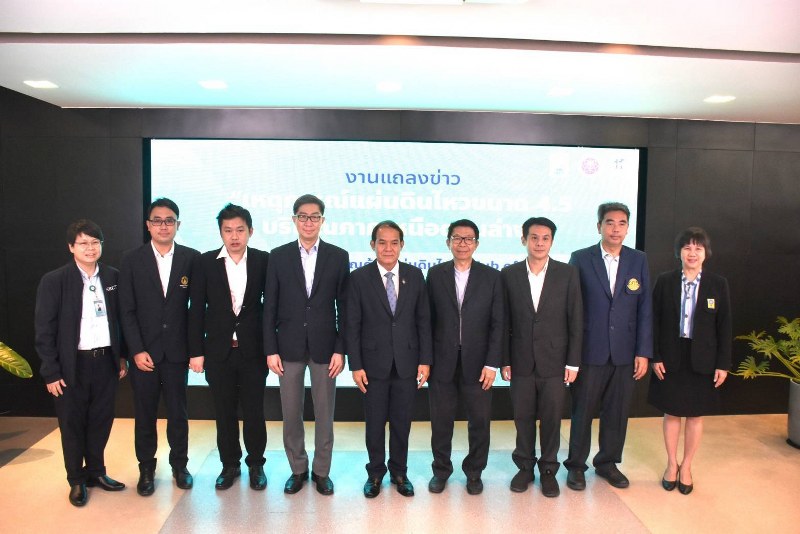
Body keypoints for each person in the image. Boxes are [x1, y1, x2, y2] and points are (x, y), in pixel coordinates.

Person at [34, 219, 128, 506]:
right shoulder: (54, 281)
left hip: (106, 362)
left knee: (101, 420)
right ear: (71, 247)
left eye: (95, 242)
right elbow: (44, 330)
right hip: (71, 366)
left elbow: (121, 321)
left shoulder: (112, 277)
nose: (90, 248)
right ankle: (76, 480)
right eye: (83, 243)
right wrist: (51, 371)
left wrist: (121, 356)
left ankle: (96, 472)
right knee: (72, 424)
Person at [263, 194, 349, 496]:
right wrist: (270, 349)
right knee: (291, 413)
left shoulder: (338, 256)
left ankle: (321, 471)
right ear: (294, 220)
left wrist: (341, 348)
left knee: (325, 414)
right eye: (303, 216)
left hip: (326, 348)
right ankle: (298, 469)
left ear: (322, 220)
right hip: (288, 347)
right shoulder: (278, 256)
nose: (308, 222)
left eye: (314, 217)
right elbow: (269, 307)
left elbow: (344, 307)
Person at [564, 202, 653, 490]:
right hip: (590, 350)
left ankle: (607, 463)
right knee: (583, 412)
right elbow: (572, 307)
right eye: (610, 222)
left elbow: (644, 308)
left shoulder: (638, 259)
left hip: (625, 352)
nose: (616, 228)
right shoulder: (581, 258)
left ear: (628, 228)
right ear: (599, 226)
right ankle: (576, 466)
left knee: (617, 412)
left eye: (622, 223)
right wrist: (572, 354)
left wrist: (643, 351)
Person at [346, 221, 432, 498]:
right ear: (372, 245)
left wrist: (425, 360)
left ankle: (399, 472)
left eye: (394, 243)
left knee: (402, 422)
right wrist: (356, 365)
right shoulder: (359, 278)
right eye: (382, 242)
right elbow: (352, 325)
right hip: (372, 365)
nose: (388, 248)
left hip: (407, 363)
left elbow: (423, 321)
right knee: (374, 423)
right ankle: (374, 474)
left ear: (402, 245)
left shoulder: (414, 276)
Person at [119, 198, 200, 496]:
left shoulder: (192, 258)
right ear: (148, 225)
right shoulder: (132, 259)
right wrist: (135, 350)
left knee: (178, 413)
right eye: (157, 220)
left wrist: (194, 349)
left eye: (169, 221)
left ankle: (180, 466)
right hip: (145, 354)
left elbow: (196, 310)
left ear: (178, 224)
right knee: (145, 414)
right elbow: (126, 310)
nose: (163, 226)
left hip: (177, 353)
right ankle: (146, 469)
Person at [188, 204, 269, 491]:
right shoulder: (205, 262)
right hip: (218, 352)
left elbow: (271, 308)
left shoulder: (263, 261)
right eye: (228, 230)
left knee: (254, 411)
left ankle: (256, 464)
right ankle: (229, 464)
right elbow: (196, 309)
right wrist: (196, 351)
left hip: (254, 351)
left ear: (250, 231)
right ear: (220, 232)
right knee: (224, 412)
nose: (234, 236)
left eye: (240, 230)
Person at [501, 217, 583, 497]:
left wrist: (573, 361)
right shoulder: (509, 274)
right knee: (522, 417)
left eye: (545, 238)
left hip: (555, 361)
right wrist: (504, 359)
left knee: (551, 419)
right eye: (534, 237)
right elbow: (503, 320)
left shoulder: (567, 273)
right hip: (520, 360)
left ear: (552, 241)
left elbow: (575, 319)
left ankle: (548, 470)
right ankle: (524, 467)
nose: (539, 243)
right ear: (523, 239)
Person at [648, 227, 730, 495]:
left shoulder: (718, 284)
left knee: (695, 415)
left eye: (698, 248)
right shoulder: (665, 281)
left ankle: (687, 466)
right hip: (671, 356)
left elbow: (724, 326)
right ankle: (672, 464)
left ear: (706, 253)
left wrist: (723, 364)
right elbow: (654, 321)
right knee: (671, 412)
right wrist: (655, 356)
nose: (692, 253)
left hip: (703, 359)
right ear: (679, 252)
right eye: (687, 248)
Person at [426, 219, 503, 496]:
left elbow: (498, 323)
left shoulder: (492, 277)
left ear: (477, 244)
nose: (462, 243)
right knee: (441, 422)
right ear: (448, 242)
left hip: (479, 363)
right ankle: (441, 471)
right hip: (441, 362)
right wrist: (426, 360)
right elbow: (427, 321)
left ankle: (474, 472)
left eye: (468, 239)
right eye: (457, 238)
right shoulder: (435, 275)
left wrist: (492, 363)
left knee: (479, 422)